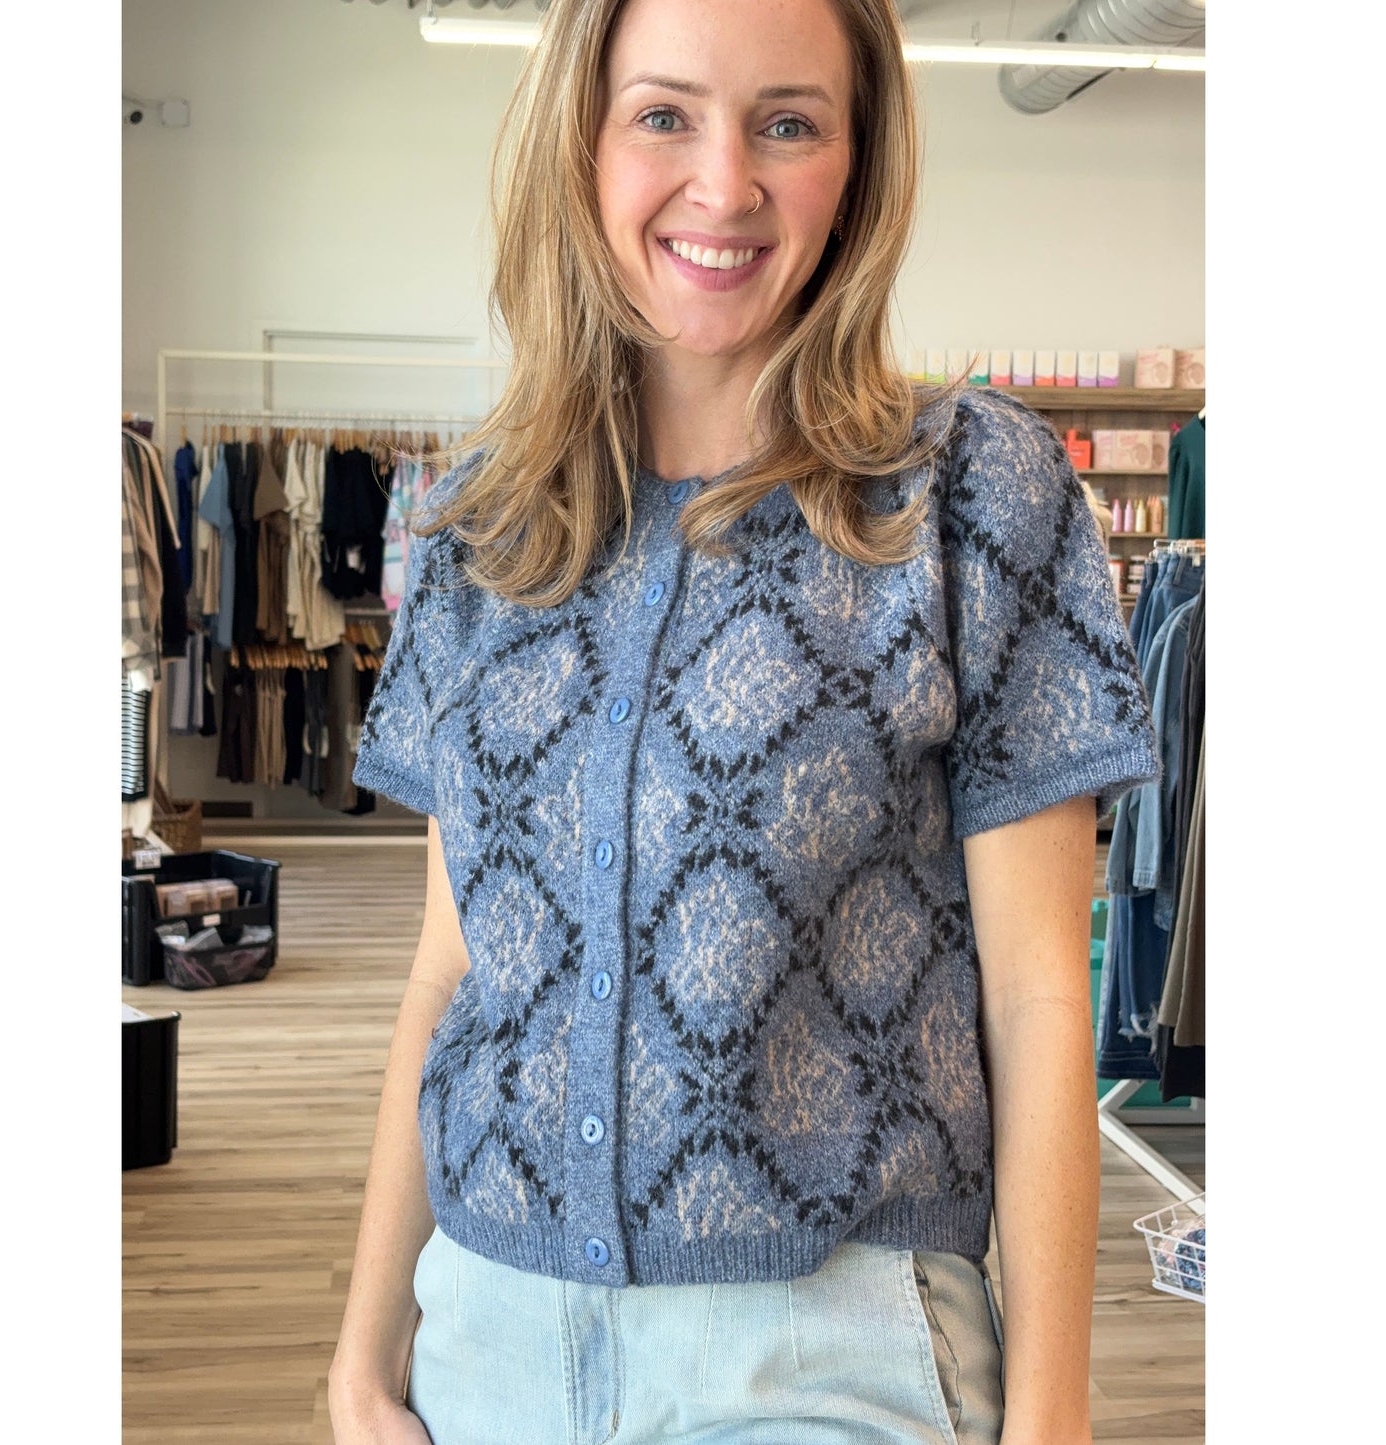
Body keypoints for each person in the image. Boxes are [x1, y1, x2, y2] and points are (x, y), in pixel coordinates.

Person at [329, 1, 1159, 1441]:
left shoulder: (969, 494)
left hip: (826, 1365)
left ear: (858, 159)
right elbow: (446, 975)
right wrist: (361, 1354)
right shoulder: (484, 523)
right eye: (663, 115)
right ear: (579, 143)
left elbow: (1038, 999)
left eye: (788, 121)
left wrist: (1051, 1413)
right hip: (482, 1344)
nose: (725, 184)